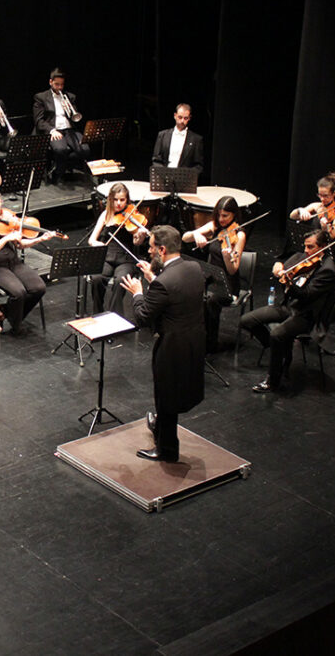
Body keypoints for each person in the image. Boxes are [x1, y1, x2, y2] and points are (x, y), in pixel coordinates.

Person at [120, 225, 205, 462]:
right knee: (175, 392)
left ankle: (167, 450)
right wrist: (154, 278)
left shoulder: (162, 283)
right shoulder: (194, 268)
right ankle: (161, 428)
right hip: (194, 340)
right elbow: (175, 294)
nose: (148, 251)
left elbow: (142, 317)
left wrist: (138, 292)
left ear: (162, 249)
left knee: (165, 395)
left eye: (151, 247)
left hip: (171, 346)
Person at [239, 230, 335, 392]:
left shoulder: (328, 270)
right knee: (247, 321)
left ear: (323, 247)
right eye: (305, 246)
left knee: (276, 334)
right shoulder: (302, 257)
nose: (306, 250)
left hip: (306, 314)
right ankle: (280, 351)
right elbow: (282, 266)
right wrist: (278, 268)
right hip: (288, 306)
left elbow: (306, 296)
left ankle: (273, 380)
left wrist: (288, 284)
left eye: (310, 247)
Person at [0, 188, 48, 335]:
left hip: (13, 262)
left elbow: (20, 244)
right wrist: (6, 238)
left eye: (0, 202)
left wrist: (39, 239)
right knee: (19, 292)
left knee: (39, 288)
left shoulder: (6, 216)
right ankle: (16, 324)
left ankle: (4, 311)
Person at [182, 195, 246, 352]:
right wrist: (196, 234)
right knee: (190, 291)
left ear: (234, 215)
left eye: (225, 215)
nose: (221, 219)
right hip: (211, 278)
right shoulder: (214, 226)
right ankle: (193, 335)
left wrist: (227, 257)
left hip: (228, 284)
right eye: (218, 214)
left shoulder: (239, 235)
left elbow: (233, 269)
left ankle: (210, 343)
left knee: (211, 300)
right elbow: (185, 238)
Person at [88, 183, 148, 315]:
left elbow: (137, 243)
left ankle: (114, 316)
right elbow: (91, 240)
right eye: (115, 200)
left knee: (121, 281)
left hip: (125, 259)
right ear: (110, 200)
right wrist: (98, 244)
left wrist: (140, 236)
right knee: (97, 278)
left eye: (122, 200)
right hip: (106, 257)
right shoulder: (105, 215)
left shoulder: (131, 216)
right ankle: (97, 313)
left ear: (127, 200)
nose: (119, 203)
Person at [32, 68, 90, 183]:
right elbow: (38, 120)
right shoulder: (41, 97)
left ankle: (65, 166)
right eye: (57, 84)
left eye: (61, 85)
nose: (59, 87)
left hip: (68, 129)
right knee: (60, 149)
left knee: (85, 149)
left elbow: (75, 117)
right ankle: (58, 173)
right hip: (54, 129)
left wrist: (69, 109)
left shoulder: (70, 97)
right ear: (50, 82)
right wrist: (52, 130)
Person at [289, 171, 335, 243]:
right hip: (311, 244)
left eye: (325, 196)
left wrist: (325, 228)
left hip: (325, 248)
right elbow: (292, 216)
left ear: (334, 193)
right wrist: (300, 210)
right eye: (320, 195)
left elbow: (331, 236)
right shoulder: (316, 206)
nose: (322, 199)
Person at [151, 103, 204, 176]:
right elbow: (156, 160)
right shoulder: (162, 135)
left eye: (185, 118)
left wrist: (187, 175)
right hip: (164, 178)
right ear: (175, 116)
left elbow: (198, 166)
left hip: (184, 181)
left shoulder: (196, 140)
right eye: (180, 117)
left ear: (189, 118)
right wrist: (164, 174)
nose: (182, 121)